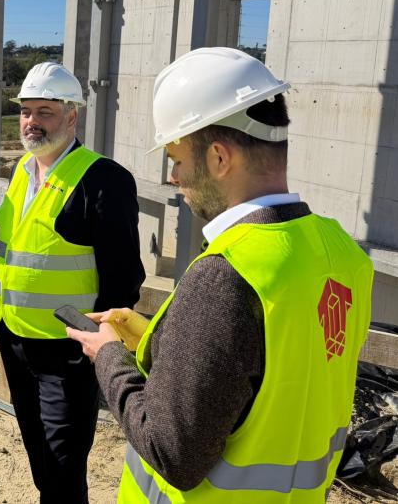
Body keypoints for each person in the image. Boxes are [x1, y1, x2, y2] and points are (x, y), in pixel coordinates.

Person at [67, 47, 374, 502]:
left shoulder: (226, 274)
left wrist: (109, 356)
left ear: (218, 158)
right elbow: (270, 373)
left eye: (176, 159)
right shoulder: (342, 253)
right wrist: (158, 339)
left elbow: (174, 453)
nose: (174, 177)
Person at [0, 62, 145, 503]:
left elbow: (124, 278)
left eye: (45, 112)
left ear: (72, 116)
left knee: (63, 466)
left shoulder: (103, 180)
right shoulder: (23, 170)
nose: (31, 122)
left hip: (66, 353)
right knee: (41, 459)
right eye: (26, 111)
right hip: (16, 340)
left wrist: (96, 345)